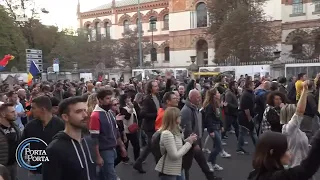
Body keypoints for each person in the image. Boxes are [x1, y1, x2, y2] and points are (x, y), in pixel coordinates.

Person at [42, 96, 97, 180]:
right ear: (65, 117)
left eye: (85, 110)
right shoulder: (54, 149)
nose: (85, 115)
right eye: (78, 112)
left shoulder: (88, 141)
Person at [181, 89, 221, 180]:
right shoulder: (187, 110)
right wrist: (194, 144)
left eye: (200, 97)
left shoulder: (194, 107)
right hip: (191, 143)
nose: (200, 99)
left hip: (195, 140)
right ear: (191, 98)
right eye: (197, 97)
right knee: (186, 165)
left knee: (202, 162)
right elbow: (187, 130)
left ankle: (211, 177)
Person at [21, 96, 65, 177]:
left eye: (33, 108)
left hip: (56, 171)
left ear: (43, 109)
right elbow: (22, 146)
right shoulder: (30, 126)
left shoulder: (61, 125)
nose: (31, 111)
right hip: (35, 171)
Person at [89, 89, 127, 180]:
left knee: (103, 174)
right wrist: (97, 156)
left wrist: (122, 146)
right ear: (100, 100)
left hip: (112, 148)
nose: (110, 101)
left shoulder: (110, 113)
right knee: (111, 175)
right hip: (104, 150)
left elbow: (116, 131)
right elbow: (94, 139)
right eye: (107, 98)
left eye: (111, 98)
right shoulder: (95, 116)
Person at [155, 107, 197, 180]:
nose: (181, 117)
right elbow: (174, 155)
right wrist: (189, 143)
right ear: (174, 118)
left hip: (178, 167)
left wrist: (188, 140)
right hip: (169, 170)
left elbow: (177, 146)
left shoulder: (177, 130)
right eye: (179, 116)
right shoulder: (167, 134)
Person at [281, 80, 308, 168]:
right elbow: (300, 111)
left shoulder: (294, 129)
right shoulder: (289, 129)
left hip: (303, 167)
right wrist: (304, 90)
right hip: (295, 168)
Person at [0, 104, 21, 180]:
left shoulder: (15, 127)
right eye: (12, 112)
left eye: (15, 111)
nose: (15, 113)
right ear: (3, 114)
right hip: (2, 166)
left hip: (14, 164)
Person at [119, 94, 140, 163]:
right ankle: (124, 158)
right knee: (126, 145)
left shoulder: (131, 105)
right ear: (124, 99)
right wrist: (131, 109)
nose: (130, 98)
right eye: (128, 98)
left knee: (136, 144)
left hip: (133, 128)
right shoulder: (122, 108)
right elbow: (127, 117)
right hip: (127, 129)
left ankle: (137, 159)